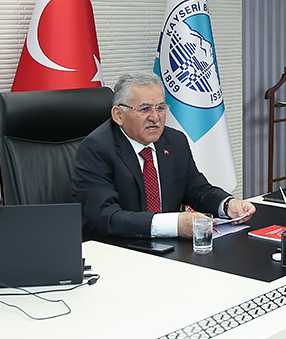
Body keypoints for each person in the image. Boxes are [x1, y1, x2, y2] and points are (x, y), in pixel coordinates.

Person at [72, 72, 256, 241]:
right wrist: (174, 225)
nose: (155, 117)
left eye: (160, 108)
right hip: (120, 249)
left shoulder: (174, 141)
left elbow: (198, 190)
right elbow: (105, 217)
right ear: (119, 115)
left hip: (168, 249)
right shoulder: (96, 148)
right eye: (144, 109)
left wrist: (227, 205)